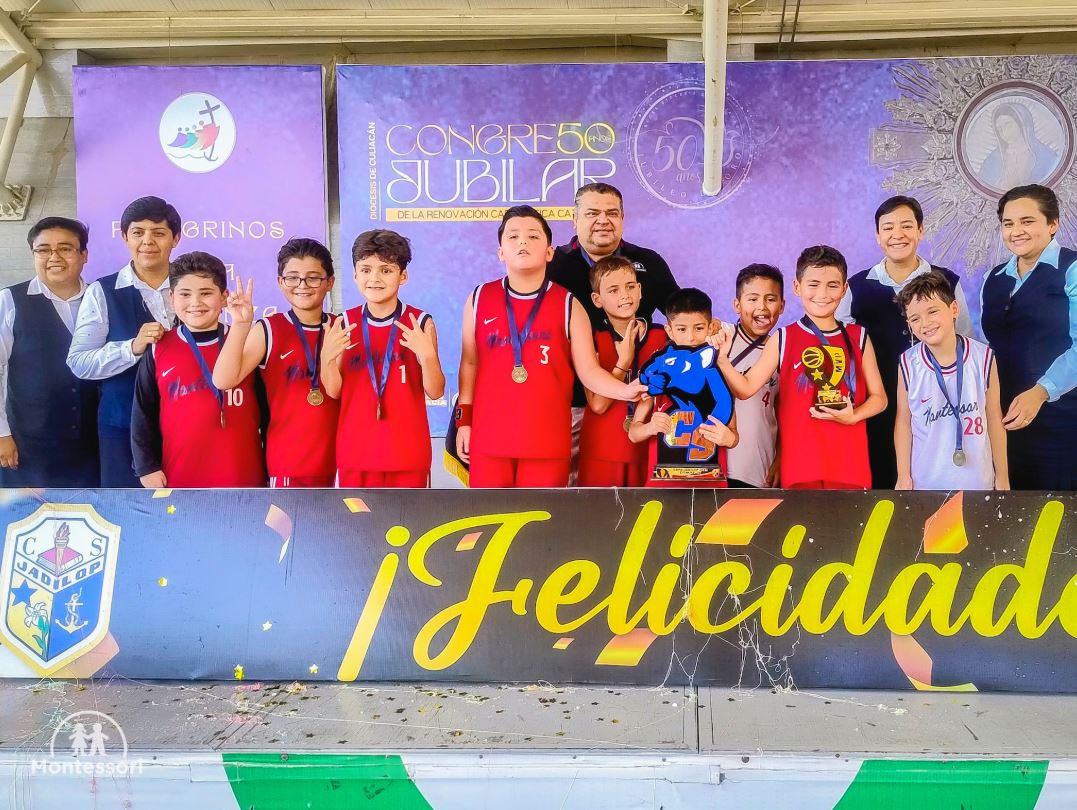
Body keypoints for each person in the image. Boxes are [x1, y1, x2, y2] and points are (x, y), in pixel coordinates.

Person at [455, 205, 645, 488]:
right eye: (513, 236)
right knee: (489, 524)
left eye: (533, 236)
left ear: (549, 251)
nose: (522, 242)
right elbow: (469, 363)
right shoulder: (480, 298)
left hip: (547, 443)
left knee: (540, 528)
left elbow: (589, 371)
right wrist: (464, 421)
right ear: (500, 252)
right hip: (489, 439)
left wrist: (625, 390)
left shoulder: (569, 304)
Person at [717, 245, 887, 489]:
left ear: (844, 288)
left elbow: (879, 398)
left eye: (832, 285)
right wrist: (722, 359)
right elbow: (745, 388)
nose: (823, 293)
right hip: (800, 466)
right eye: (813, 284)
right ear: (797, 287)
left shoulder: (858, 336)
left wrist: (854, 417)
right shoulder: (784, 338)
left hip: (851, 463)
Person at [546, 182, 679, 483]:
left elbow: (680, 315)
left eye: (612, 213)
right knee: (570, 495)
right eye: (592, 213)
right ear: (574, 219)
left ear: (622, 218)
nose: (603, 220)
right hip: (572, 404)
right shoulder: (554, 267)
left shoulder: (649, 262)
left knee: (640, 492)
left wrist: (711, 330)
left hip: (640, 402)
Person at [837, 196, 971, 488]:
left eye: (907, 226)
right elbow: (837, 344)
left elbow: (966, 342)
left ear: (921, 230)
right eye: (888, 228)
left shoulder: (947, 281)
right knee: (883, 478)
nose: (897, 234)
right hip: (877, 403)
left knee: (936, 479)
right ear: (878, 236)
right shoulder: (857, 286)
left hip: (938, 401)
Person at [68, 196, 181, 487]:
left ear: (176, 239)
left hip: (185, 429)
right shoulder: (102, 291)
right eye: (137, 232)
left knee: (187, 519)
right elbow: (79, 362)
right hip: (122, 428)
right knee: (126, 519)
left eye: (158, 232)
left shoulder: (194, 287)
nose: (148, 241)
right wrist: (131, 347)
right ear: (124, 237)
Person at [321, 229, 445, 487]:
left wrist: (427, 356)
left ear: (403, 276)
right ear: (355, 275)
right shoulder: (344, 323)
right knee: (357, 527)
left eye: (386, 270)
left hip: (408, 454)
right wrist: (327, 359)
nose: (374, 278)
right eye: (365, 270)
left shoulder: (420, 322)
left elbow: (434, 391)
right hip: (356, 452)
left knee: (410, 526)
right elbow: (334, 391)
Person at [131, 252, 265, 488]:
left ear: (224, 297)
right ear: (172, 298)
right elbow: (143, 413)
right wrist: (146, 467)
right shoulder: (159, 348)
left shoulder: (247, 342)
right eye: (185, 294)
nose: (195, 303)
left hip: (243, 472)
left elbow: (267, 407)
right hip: (180, 473)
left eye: (206, 293)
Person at [213, 238, 339, 488]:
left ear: (330, 283)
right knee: (291, 528)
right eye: (293, 277)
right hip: (289, 461)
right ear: (280, 282)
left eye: (313, 277)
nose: (302, 285)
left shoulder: (342, 326)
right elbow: (223, 380)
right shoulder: (269, 329)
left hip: (342, 460)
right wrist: (240, 325)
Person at [981, 183, 1077, 489]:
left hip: (1062, 418)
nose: (1016, 231)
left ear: (1052, 224)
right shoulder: (994, 277)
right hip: (1004, 420)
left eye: (1027, 221)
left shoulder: (1071, 269)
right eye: (1008, 224)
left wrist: (1041, 391)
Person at [0, 217, 99, 487]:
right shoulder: (10, 300)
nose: (54, 257)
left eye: (65, 248)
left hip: (93, 447)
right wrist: (1, 433)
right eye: (43, 250)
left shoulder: (102, 299)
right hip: (27, 446)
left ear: (84, 255)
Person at [895, 271, 1007, 491]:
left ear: (954, 309)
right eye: (915, 318)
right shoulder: (908, 363)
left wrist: (1002, 475)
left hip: (978, 482)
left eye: (933, 311)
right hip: (925, 482)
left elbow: (994, 417)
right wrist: (903, 476)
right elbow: (903, 421)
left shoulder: (983, 357)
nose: (925, 323)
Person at [629, 288, 738, 487]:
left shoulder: (718, 372)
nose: (690, 337)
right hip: (662, 486)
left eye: (698, 328)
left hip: (711, 487)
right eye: (681, 329)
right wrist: (650, 427)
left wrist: (728, 438)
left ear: (711, 327)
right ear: (669, 330)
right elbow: (634, 433)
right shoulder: (657, 376)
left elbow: (733, 434)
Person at [577, 255, 667, 487]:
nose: (625, 295)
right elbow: (598, 405)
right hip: (602, 450)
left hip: (649, 448)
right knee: (600, 521)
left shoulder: (664, 337)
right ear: (597, 299)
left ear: (640, 290)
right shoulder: (591, 339)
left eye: (629, 287)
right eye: (614, 290)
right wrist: (624, 361)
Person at [725, 264, 784, 488]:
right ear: (737, 305)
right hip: (712, 463)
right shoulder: (719, 338)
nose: (762, 307)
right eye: (752, 299)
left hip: (757, 466)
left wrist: (780, 458)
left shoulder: (783, 350)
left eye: (770, 299)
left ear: (782, 305)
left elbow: (785, 412)